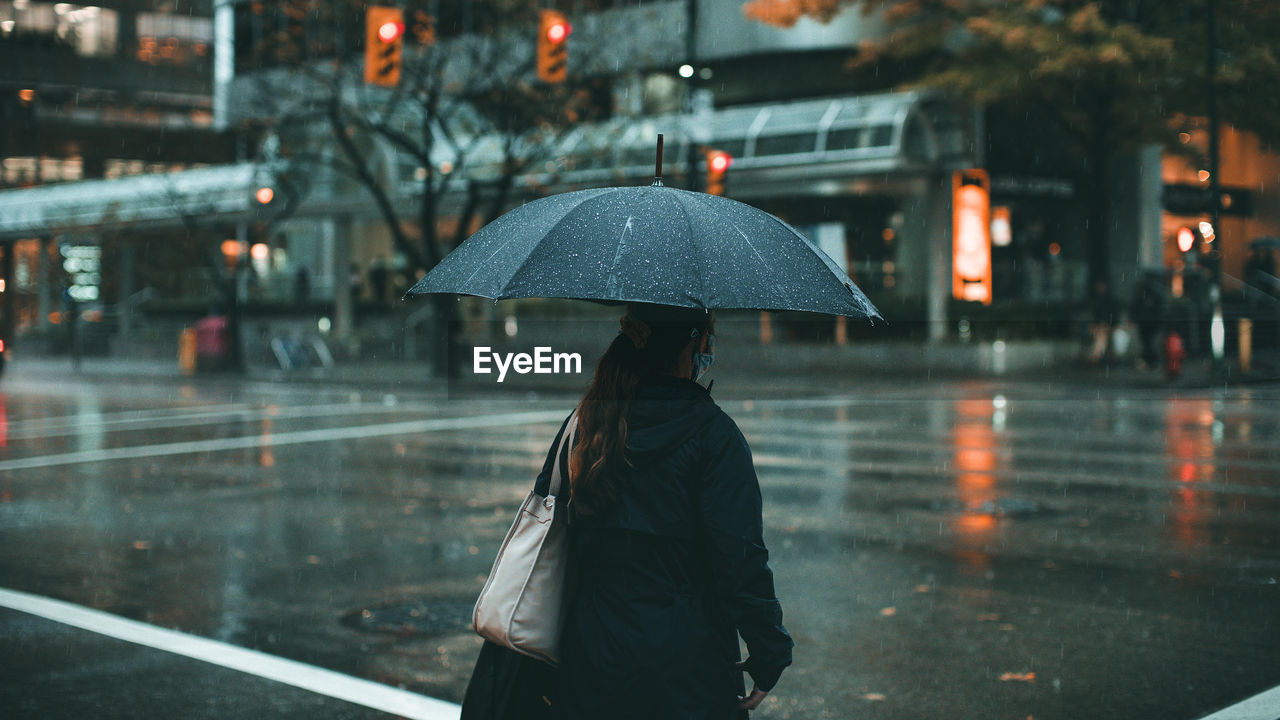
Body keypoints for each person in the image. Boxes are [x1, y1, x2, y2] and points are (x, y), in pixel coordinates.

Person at [554, 303, 793, 719]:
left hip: (592, 656)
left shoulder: (589, 421)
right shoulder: (713, 435)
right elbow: (739, 561)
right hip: (686, 665)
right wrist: (770, 649)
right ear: (696, 342)